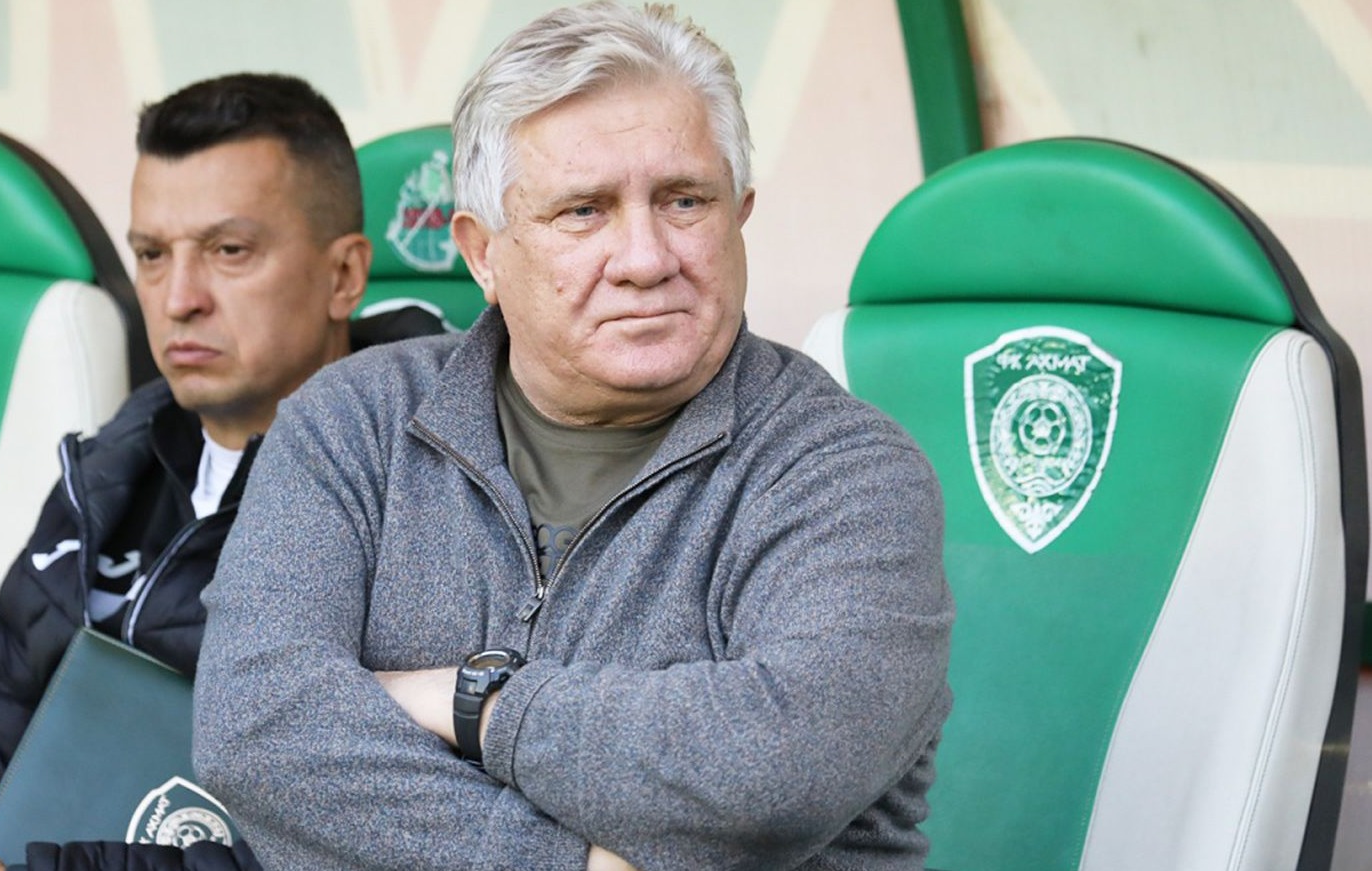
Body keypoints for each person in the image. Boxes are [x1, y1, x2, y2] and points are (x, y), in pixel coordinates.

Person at [194, 3, 954, 869]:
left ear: (740, 215)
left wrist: (474, 703)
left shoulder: (847, 472)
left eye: (685, 200)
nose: (645, 258)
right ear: (483, 253)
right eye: (584, 211)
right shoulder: (353, 422)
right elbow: (253, 726)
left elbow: (779, 766)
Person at [0, 72, 440, 871]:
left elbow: (357, 843)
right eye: (151, 255)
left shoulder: (432, 489)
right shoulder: (107, 471)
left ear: (343, 275)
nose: (179, 299)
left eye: (229, 251)